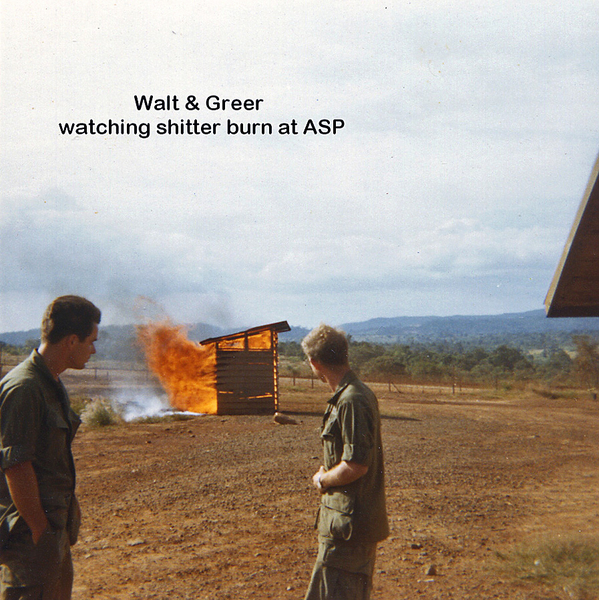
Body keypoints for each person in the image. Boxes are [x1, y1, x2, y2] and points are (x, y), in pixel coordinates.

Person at [0, 295, 101, 600]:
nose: (93, 350)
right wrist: (39, 528)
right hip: (30, 537)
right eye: (91, 341)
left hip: (51, 531)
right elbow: (16, 465)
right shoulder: (25, 388)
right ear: (72, 341)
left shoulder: (51, 383)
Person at [302, 324, 389, 600]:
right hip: (344, 525)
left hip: (348, 530)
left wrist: (322, 480)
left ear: (315, 362)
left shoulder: (351, 400)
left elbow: (355, 465)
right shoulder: (349, 395)